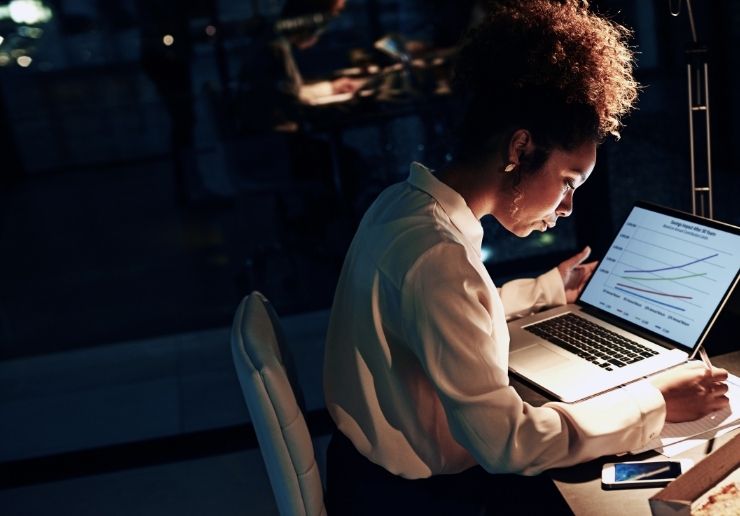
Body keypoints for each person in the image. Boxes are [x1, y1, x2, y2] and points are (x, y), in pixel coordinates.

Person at [322, 1, 730, 514]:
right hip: (413, 499)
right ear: (519, 148)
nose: (566, 208)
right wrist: (656, 401)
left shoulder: (402, 206)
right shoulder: (439, 260)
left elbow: (445, 315)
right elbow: (507, 442)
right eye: (567, 182)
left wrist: (547, 291)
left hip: (363, 473)